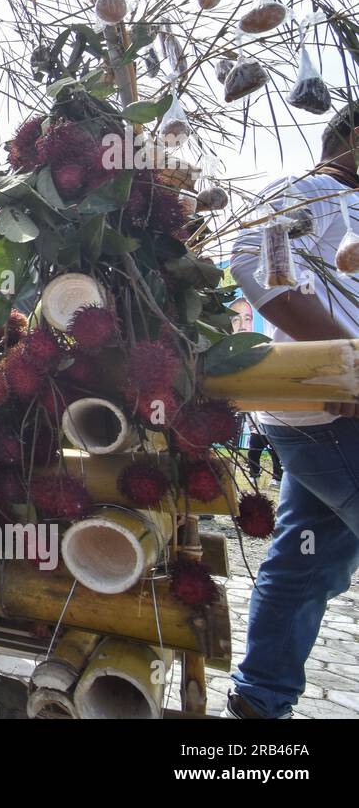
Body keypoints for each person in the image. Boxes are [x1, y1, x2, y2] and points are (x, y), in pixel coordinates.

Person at [225, 101, 359, 719]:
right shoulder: (308, 190)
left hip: (332, 413)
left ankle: (261, 700)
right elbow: (254, 261)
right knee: (307, 558)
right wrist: (345, 358)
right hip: (331, 412)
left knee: (308, 559)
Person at [229, 298, 281, 488]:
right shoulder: (220, 351)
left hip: (261, 411)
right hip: (233, 408)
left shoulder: (262, 349)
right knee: (251, 445)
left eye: (248, 319)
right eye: (235, 319)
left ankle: (276, 476)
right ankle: (242, 477)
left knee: (269, 445)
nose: (242, 325)